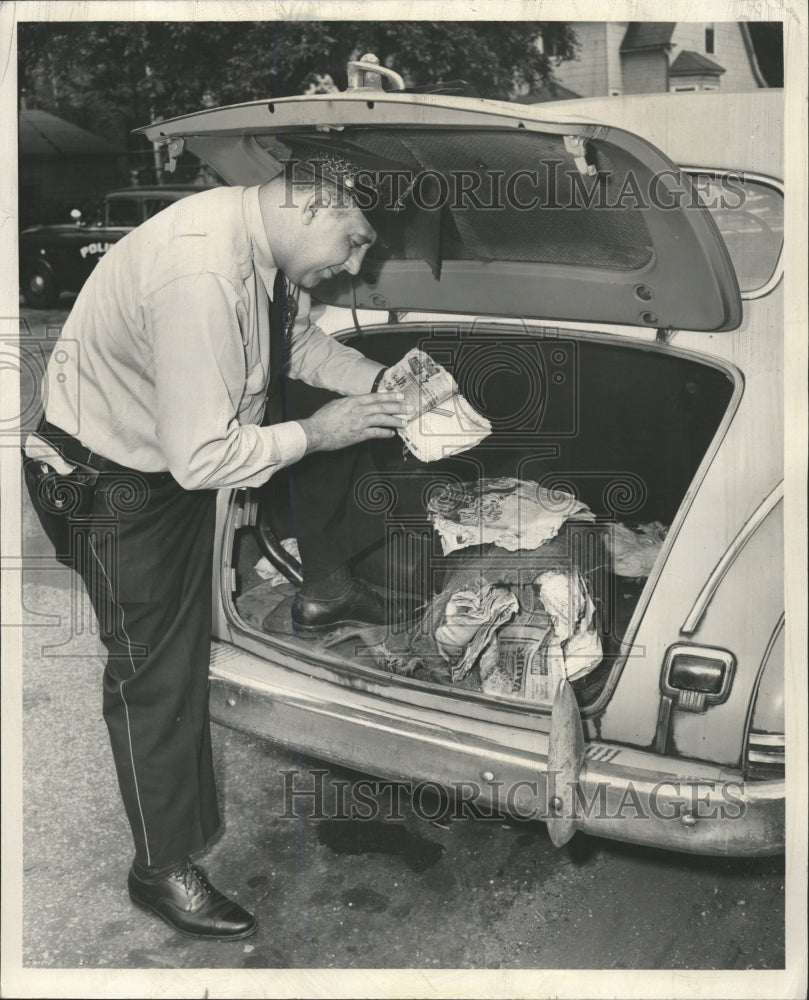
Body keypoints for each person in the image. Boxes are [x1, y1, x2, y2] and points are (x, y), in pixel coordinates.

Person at [22, 160, 411, 941]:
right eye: (355, 239)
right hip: (110, 481)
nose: (357, 265)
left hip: (161, 460)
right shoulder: (199, 271)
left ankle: (321, 592)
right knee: (153, 671)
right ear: (316, 203)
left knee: (181, 641)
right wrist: (320, 431)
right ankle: (159, 868)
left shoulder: (256, 244)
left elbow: (295, 347)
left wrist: (385, 384)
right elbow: (201, 457)